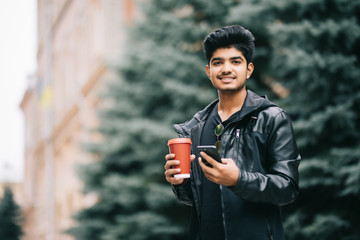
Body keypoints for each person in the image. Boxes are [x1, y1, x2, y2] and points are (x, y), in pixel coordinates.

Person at [164, 25, 301, 240]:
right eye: (218, 62)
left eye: (235, 61)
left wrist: (239, 180)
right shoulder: (196, 127)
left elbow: (287, 188)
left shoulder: (271, 118)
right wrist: (179, 183)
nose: (226, 69)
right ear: (209, 71)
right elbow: (198, 197)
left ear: (249, 69)